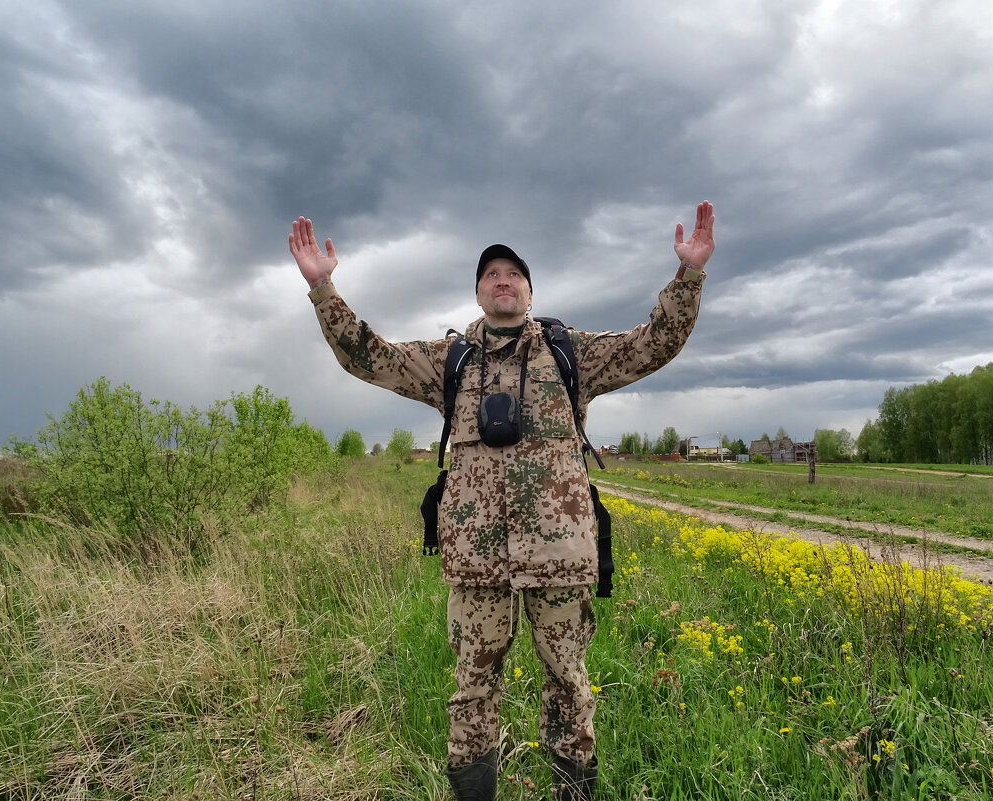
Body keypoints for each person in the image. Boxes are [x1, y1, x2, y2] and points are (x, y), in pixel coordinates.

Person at [289, 202, 715, 800]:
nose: (503, 279)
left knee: (569, 684)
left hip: (559, 558)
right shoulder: (450, 361)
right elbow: (370, 356)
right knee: (472, 689)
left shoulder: (572, 353)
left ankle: (573, 792)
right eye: (492, 273)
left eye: (513, 272)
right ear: (480, 294)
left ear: (530, 292)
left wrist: (688, 276)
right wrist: (322, 287)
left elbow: (654, 344)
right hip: (477, 564)